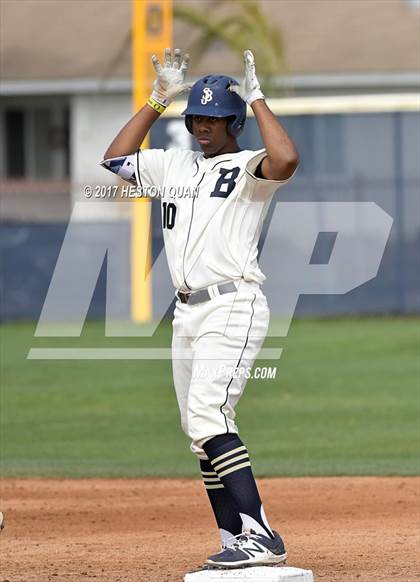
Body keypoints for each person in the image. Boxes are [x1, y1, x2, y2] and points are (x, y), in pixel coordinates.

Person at [101, 48, 299, 569]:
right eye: (196, 118)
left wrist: (256, 99)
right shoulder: (171, 165)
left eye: (213, 118)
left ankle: (263, 534)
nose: (203, 126)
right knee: (198, 431)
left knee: (209, 416)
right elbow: (115, 160)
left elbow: (286, 160)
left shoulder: (246, 167)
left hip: (232, 304)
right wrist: (157, 99)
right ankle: (234, 536)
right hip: (187, 313)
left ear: (233, 122)